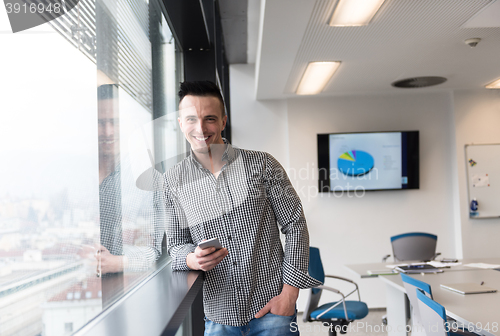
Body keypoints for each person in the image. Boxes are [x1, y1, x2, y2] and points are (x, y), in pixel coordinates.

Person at [165, 81, 321, 335]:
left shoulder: (262, 164)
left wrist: (290, 294)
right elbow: (175, 245)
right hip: (219, 315)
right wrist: (192, 258)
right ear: (181, 123)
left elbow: (295, 225)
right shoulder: (173, 181)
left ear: (224, 121)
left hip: (273, 309)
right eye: (191, 119)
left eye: (210, 119)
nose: (201, 128)